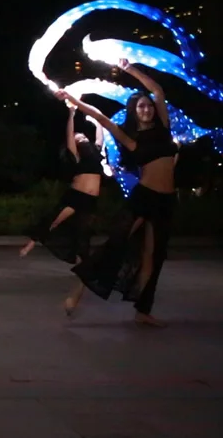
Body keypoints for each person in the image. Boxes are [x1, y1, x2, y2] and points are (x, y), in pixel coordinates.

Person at [59, 59, 178, 327]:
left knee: (153, 255)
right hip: (144, 196)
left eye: (148, 105)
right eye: (140, 106)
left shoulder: (164, 129)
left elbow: (158, 91)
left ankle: (143, 310)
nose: (146, 108)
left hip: (167, 201)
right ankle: (77, 292)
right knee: (115, 245)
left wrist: (130, 70)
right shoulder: (130, 138)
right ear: (134, 112)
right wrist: (73, 101)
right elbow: (101, 118)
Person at [20, 100, 103, 264]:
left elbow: (100, 136)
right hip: (76, 195)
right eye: (78, 137)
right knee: (55, 219)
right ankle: (31, 243)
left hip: (90, 200)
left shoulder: (96, 153)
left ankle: (82, 262)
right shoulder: (78, 156)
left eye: (83, 135)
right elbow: (69, 135)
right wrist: (71, 114)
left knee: (83, 232)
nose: (82, 136)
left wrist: (96, 121)